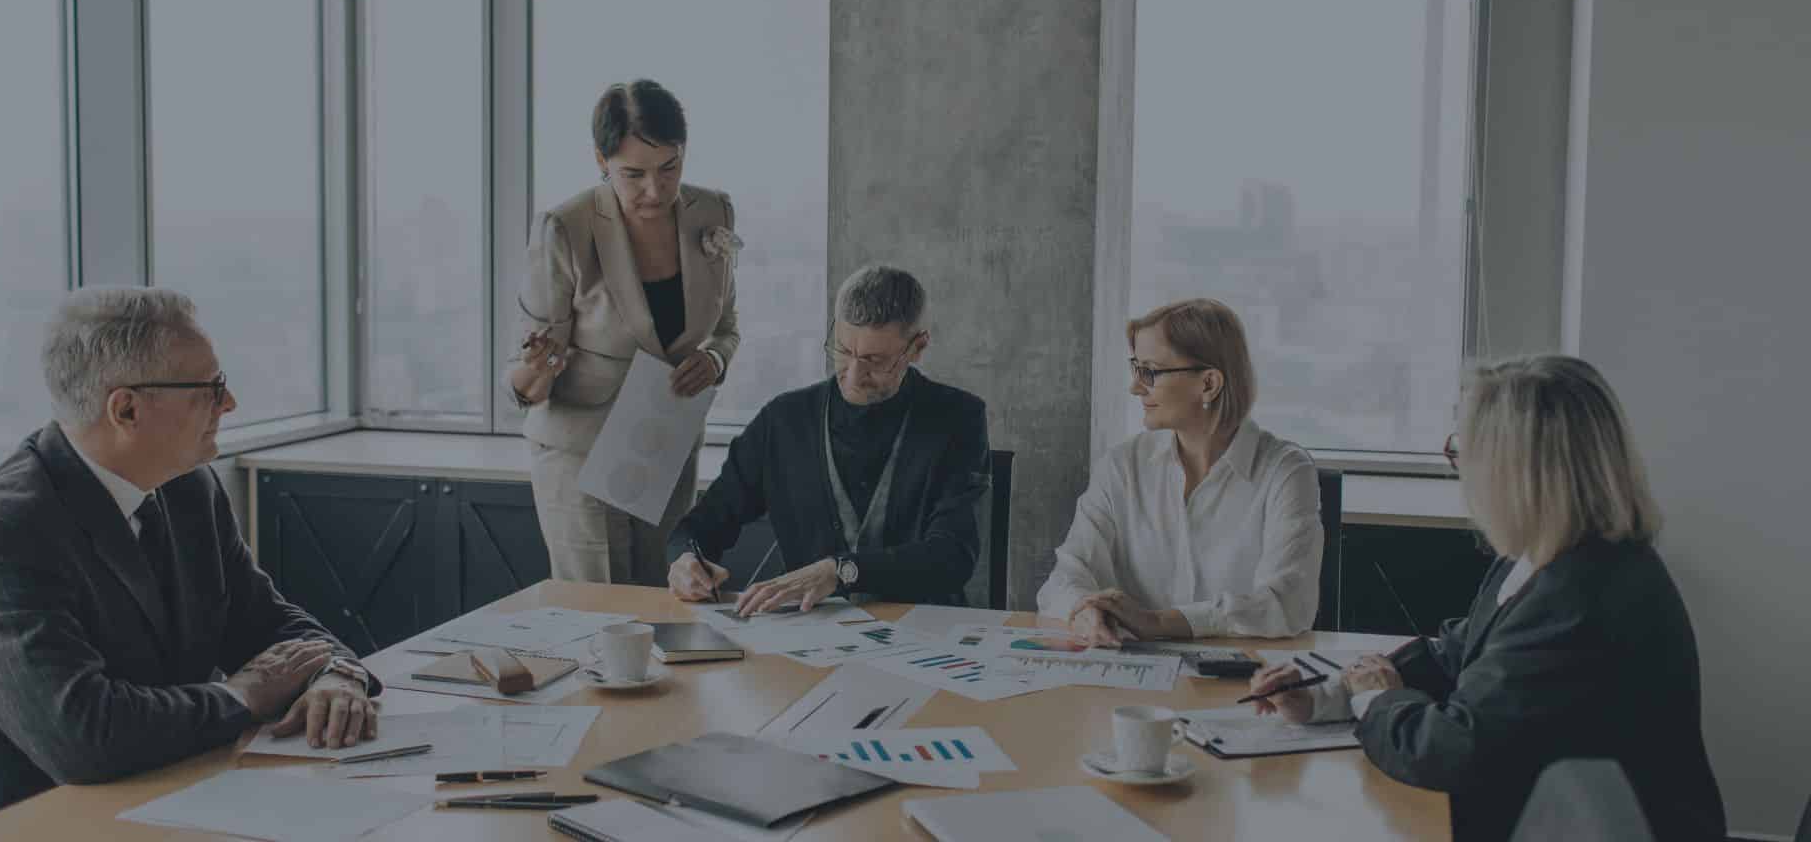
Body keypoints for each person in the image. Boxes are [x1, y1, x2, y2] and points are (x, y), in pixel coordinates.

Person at [0, 288, 379, 840]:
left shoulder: (187, 488)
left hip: (162, 795)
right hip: (23, 825)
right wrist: (244, 694)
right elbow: (85, 736)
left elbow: (270, 625)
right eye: (212, 389)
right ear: (126, 409)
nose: (230, 405)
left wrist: (336, 677)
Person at [1249, 355, 1726, 842]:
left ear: (1516, 471)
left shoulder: (1582, 596)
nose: (1458, 472)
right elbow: (1455, 657)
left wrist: (1375, 698)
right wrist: (1326, 695)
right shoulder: (1541, 559)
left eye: (1463, 450)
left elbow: (1451, 752)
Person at [507, 79, 740, 587]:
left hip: (666, 440)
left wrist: (716, 360)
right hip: (581, 454)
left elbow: (726, 327)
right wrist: (539, 369)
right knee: (601, 617)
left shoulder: (713, 212)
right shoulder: (564, 228)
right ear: (600, 160)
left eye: (669, 168)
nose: (654, 190)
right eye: (633, 174)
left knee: (668, 605)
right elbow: (522, 384)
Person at [664, 264, 988, 615]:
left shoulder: (958, 419)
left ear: (917, 347)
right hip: (810, 638)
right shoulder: (782, 421)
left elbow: (953, 556)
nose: (853, 375)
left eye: (875, 361)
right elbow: (702, 524)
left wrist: (840, 571)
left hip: (926, 633)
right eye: (843, 351)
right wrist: (685, 560)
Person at [1036, 298, 1322, 644]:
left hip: (1245, 682)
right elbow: (1064, 578)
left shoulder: (1286, 471)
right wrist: (1086, 610)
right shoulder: (1121, 466)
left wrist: (1158, 623)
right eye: (1136, 369)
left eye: (1150, 372)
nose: (1135, 387)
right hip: (1130, 676)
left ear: (1209, 384)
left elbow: (1287, 604)